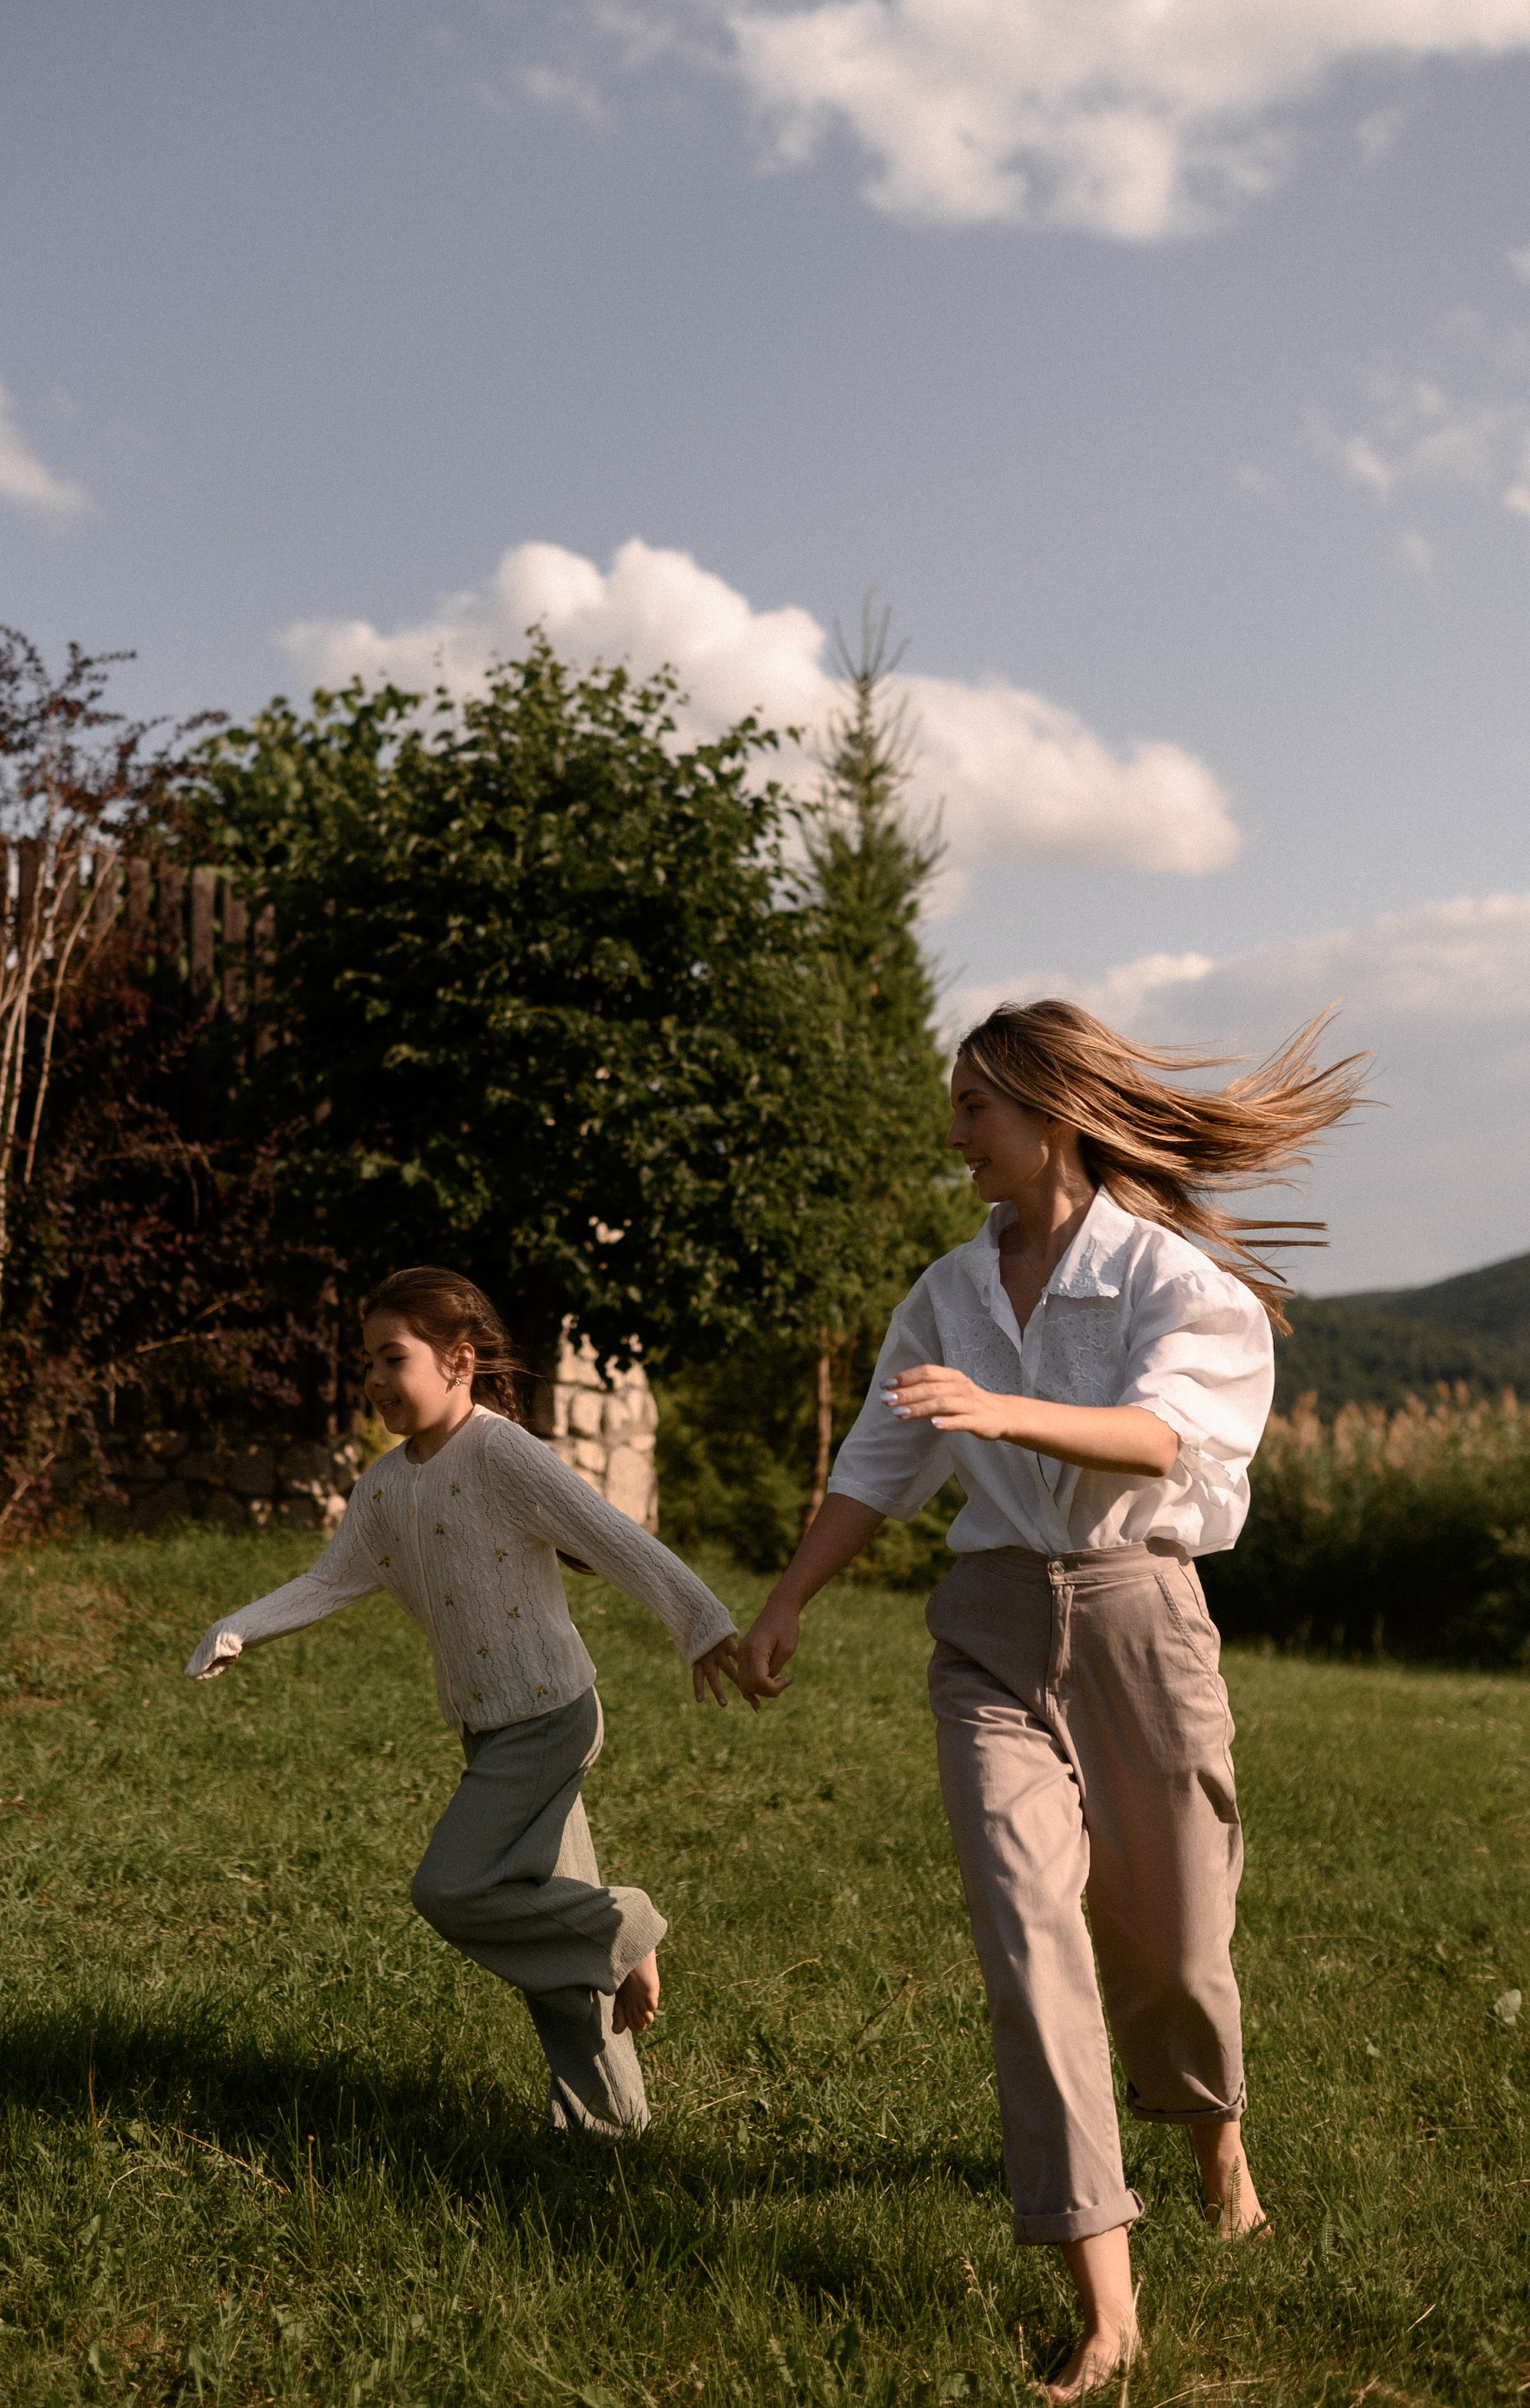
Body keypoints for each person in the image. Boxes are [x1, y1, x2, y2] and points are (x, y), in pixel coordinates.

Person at [732, 1000, 1365, 2400]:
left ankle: (1214, 2140)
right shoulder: (949, 1292)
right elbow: (879, 1461)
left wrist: (1005, 1410)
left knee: (1178, 1948)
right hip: (993, 1633)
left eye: (975, 1108)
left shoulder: (1167, 1276)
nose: (954, 1133)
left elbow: (1164, 1433)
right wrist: (784, 1605)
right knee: (1031, 1938)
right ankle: (1107, 2296)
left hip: (1141, 1617)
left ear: (1052, 1117)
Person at [186, 1265, 741, 2138]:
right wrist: (239, 1626)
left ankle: (623, 1923)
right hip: (488, 1730)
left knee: (451, 1888)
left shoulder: (501, 1451)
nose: (372, 1381)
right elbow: (331, 1579)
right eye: (365, 1362)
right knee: (541, 1930)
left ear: (460, 1360)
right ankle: (610, 2126)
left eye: (390, 1358)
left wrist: (702, 1624)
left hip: (550, 1718)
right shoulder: (383, 1486)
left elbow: (611, 1535)